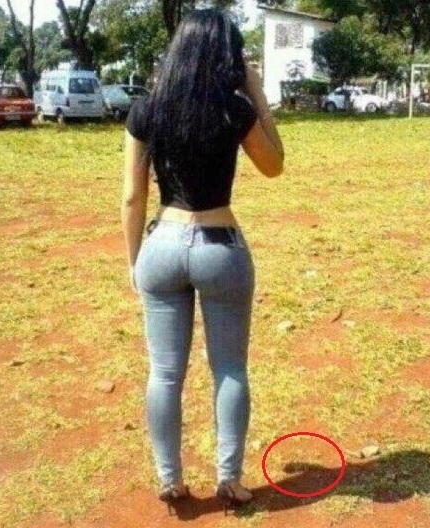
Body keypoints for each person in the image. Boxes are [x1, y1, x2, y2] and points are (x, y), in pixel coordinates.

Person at [121, 8, 284, 514]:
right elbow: (275, 164)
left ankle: (169, 479)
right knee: (229, 368)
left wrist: (134, 260)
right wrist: (256, 90)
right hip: (220, 246)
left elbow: (132, 197)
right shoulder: (234, 109)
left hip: (162, 246)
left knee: (165, 373)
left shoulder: (146, 109)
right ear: (227, 55)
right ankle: (229, 479)